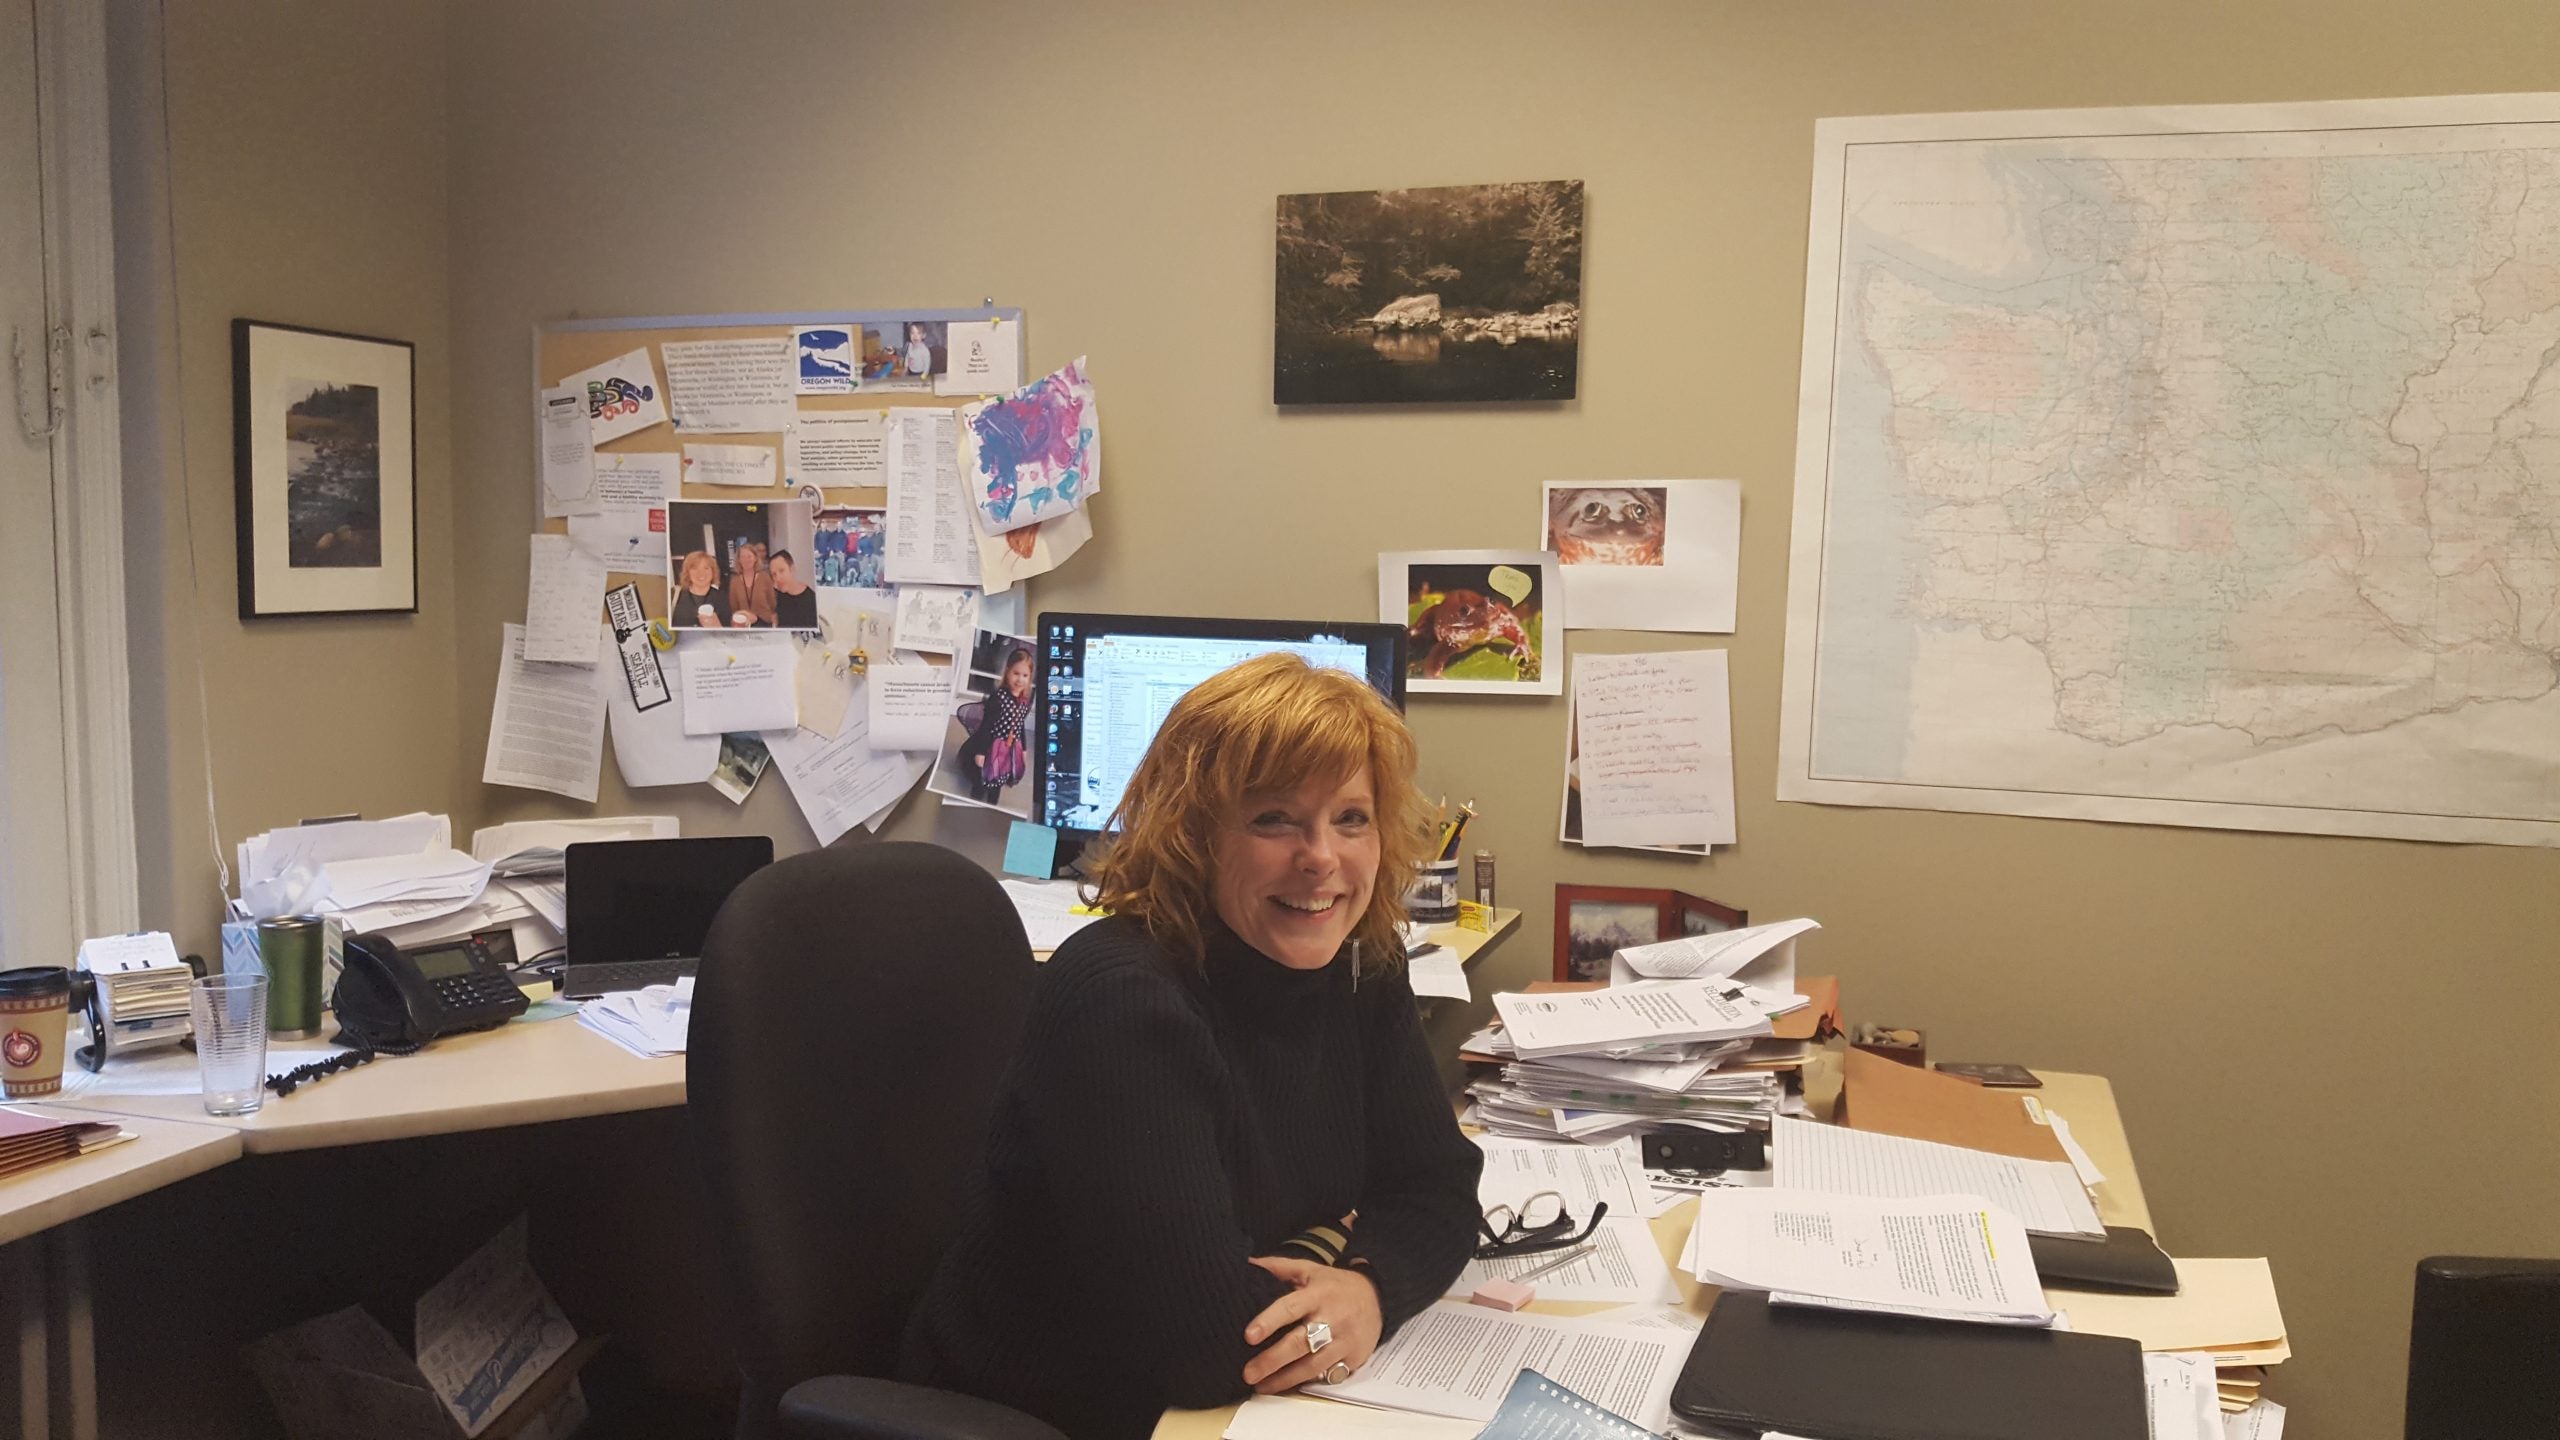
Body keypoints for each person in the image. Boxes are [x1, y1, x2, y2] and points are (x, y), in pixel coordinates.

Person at [900, 653, 1481, 1440]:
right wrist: (1343, 1249)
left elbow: (1440, 1191)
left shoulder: (1360, 960)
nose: (1322, 859)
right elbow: (1207, 1345)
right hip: (1053, 1412)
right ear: (1194, 834)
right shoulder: (1121, 997)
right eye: (1274, 818)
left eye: (1351, 818)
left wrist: (1370, 1288)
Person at [955, 647, 1035, 806]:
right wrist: (981, 752)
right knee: (983, 776)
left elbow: (1019, 726)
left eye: (1025, 675)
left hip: (1008, 748)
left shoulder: (1024, 701)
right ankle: (976, 799)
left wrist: (1024, 749)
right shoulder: (998, 698)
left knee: (1000, 775)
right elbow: (986, 726)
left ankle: (992, 803)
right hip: (991, 744)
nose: (1020, 679)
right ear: (1007, 672)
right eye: (1016, 673)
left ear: (1029, 677)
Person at [728, 540, 777, 627]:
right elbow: (734, 606)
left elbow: (772, 602)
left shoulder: (765, 577)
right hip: (743, 624)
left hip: (764, 623)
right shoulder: (734, 581)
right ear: (738, 560)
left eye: (749, 556)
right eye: (742, 557)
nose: (746, 559)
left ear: (755, 558)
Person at [671, 551, 725, 627]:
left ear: (713, 572)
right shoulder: (674, 594)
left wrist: (717, 627)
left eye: (706, 568)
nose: (701, 573)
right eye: (695, 568)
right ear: (687, 573)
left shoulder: (722, 598)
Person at [767, 549, 818, 629]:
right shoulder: (776, 597)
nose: (778, 578)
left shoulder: (812, 600)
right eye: (774, 574)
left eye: (781, 571)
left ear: (792, 569)